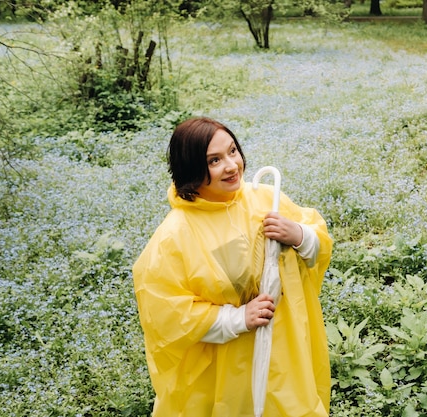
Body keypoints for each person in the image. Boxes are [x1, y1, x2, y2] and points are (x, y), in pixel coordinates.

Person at [132, 117, 333, 417]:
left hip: (286, 352)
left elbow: (318, 245)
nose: (231, 166)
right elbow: (166, 312)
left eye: (233, 151)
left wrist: (300, 235)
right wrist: (237, 318)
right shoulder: (174, 236)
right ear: (191, 169)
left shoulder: (265, 199)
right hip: (227, 375)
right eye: (214, 160)